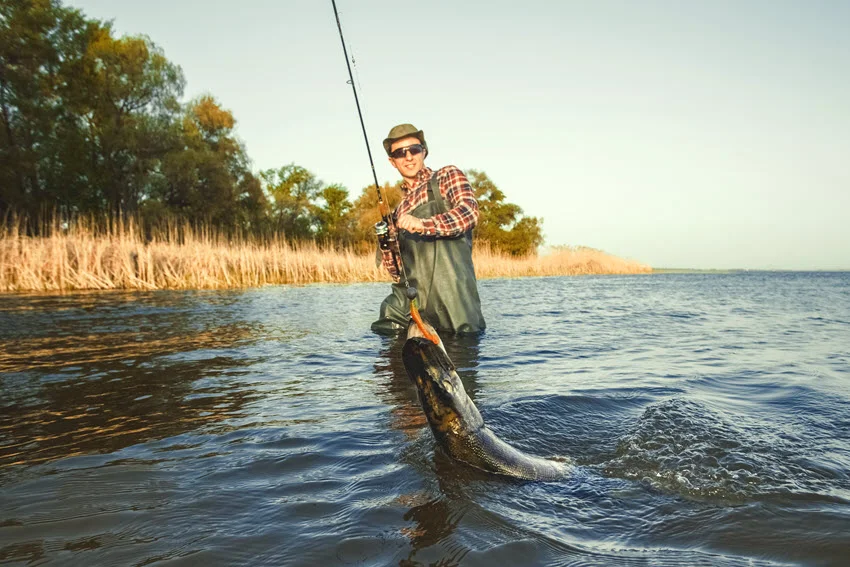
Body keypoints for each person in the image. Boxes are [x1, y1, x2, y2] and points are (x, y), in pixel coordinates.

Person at [371, 123, 486, 335]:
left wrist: (423, 224)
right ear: (392, 161)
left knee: (461, 351)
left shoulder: (446, 176)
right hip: (414, 302)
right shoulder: (398, 212)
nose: (408, 157)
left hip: (453, 300)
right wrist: (386, 245)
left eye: (414, 150)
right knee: (386, 327)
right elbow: (397, 272)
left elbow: (469, 213)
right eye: (399, 153)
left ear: (424, 151)